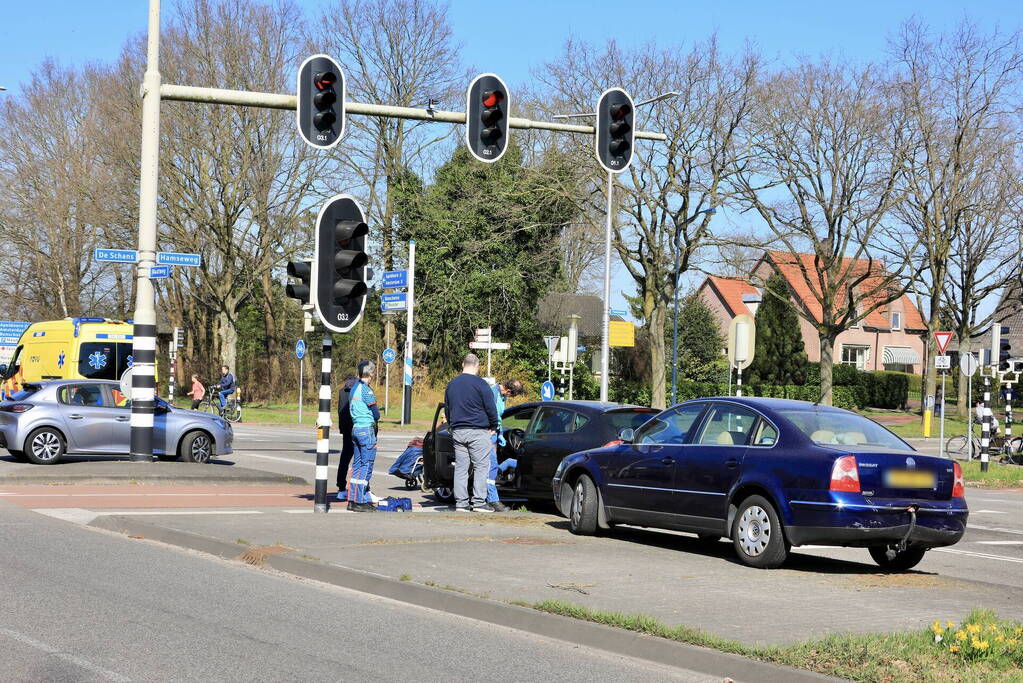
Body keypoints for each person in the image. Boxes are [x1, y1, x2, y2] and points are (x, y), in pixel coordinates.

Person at [444, 354, 499, 512]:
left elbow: (448, 408)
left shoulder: (452, 384)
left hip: (458, 431)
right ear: (477, 365)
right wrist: (493, 425)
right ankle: (479, 502)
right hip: (477, 431)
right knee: (481, 466)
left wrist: (452, 424)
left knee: (461, 468)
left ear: (463, 364)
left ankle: (461, 503)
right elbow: (490, 408)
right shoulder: (481, 384)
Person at [484, 377, 525, 511]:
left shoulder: (502, 396)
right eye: (512, 394)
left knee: (492, 466)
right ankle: (492, 500)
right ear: (508, 390)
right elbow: (488, 413)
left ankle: (487, 498)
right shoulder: (493, 393)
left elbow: (499, 417)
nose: (511, 397)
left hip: (494, 434)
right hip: (488, 433)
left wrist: (500, 433)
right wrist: (491, 429)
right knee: (492, 466)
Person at [347, 361, 380, 512]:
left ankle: (352, 500)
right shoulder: (367, 391)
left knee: (357, 466)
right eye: (373, 373)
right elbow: (376, 414)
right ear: (370, 373)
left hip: (355, 429)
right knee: (367, 465)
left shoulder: (354, 388)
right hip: (366, 430)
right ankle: (360, 501)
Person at [335, 375, 358, 502]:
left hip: (346, 430)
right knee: (361, 460)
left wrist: (341, 429)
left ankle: (341, 487)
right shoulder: (359, 390)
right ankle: (361, 489)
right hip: (357, 428)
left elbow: (340, 411)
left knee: (344, 459)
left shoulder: (341, 391)